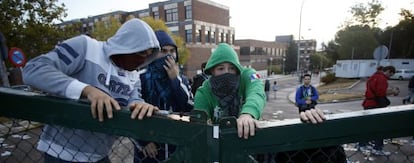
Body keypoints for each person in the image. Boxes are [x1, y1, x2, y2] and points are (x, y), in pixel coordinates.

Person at [22, 18, 161, 162]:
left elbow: (134, 99)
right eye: (141, 52)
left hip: (99, 155)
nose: (144, 60)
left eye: (149, 54)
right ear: (126, 46)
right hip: (61, 152)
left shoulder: (134, 75)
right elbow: (34, 69)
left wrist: (140, 104)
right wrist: (87, 90)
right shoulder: (86, 47)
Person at [134, 30, 193, 162]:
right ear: (153, 53)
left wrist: (175, 80)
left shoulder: (181, 79)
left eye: (172, 51)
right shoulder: (140, 78)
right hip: (149, 152)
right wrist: (143, 142)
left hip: (175, 147)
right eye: (163, 51)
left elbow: (188, 106)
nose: (168, 55)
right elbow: (131, 110)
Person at [194, 43, 265, 139]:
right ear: (212, 71)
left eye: (232, 68)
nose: (226, 72)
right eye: (220, 68)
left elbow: (256, 91)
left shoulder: (247, 76)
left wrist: (248, 114)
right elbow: (201, 130)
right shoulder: (204, 93)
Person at [275, 74, 346, 163]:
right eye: (306, 79)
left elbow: (316, 96)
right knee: (305, 123)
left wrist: (311, 99)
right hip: (303, 109)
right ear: (303, 80)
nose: (307, 80)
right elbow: (297, 99)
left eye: (309, 79)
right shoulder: (300, 89)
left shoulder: (312, 89)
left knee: (314, 122)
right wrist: (304, 101)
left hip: (312, 108)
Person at [359, 65, 399, 156]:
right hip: (375, 105)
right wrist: (393, 92)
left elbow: (374, 90)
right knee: (379, 127)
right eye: (391, 74)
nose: (390, 77)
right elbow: (380, 92)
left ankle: (362, 144)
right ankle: (377, 148)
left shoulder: (373, 76)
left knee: (368, 126)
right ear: (388, 71)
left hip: (368, 104)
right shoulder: (382, 79)